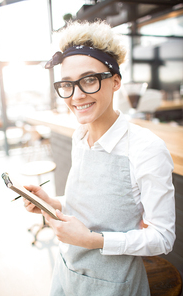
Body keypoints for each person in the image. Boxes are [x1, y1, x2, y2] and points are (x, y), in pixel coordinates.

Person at [23, 20, 175, 296]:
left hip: (115, 286)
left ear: (115, 81)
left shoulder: (146, 149)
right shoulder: (78, 136)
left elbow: (163, 238)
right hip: (67, 272)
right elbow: (92, 206)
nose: (76, 95)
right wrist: (53, 203)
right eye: (66, 84)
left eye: (89, 80)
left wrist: (94, 241)